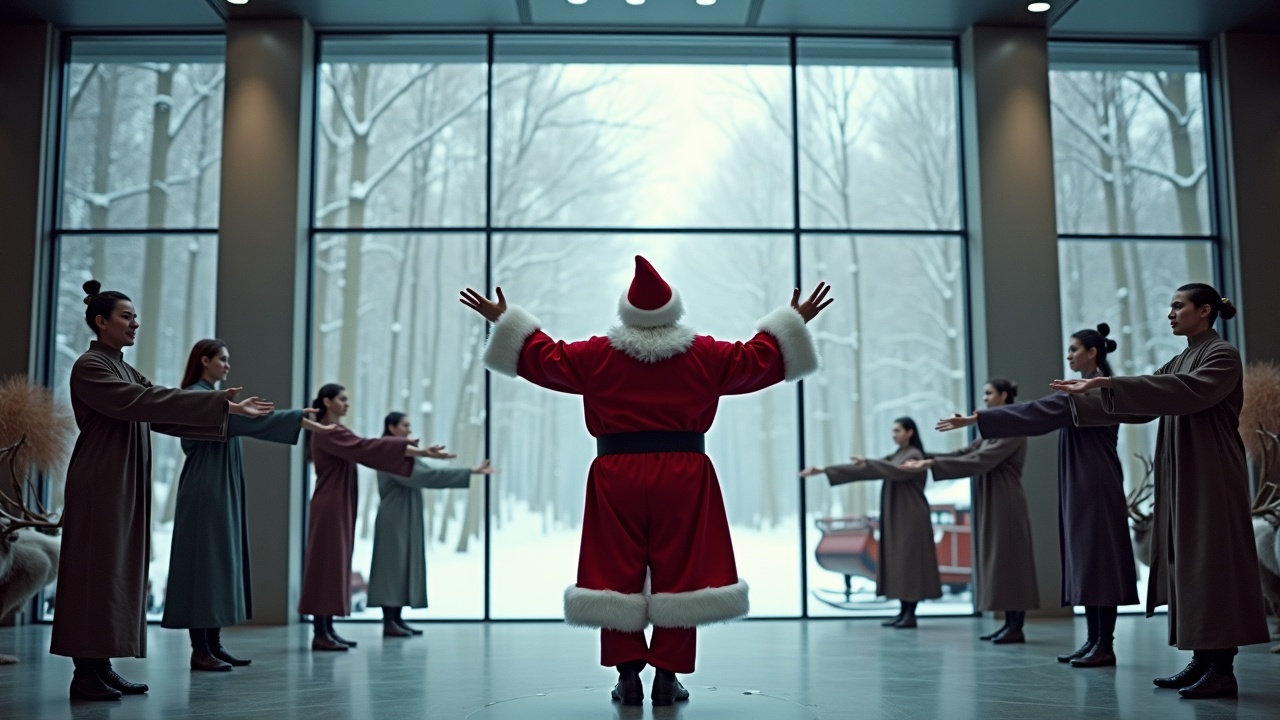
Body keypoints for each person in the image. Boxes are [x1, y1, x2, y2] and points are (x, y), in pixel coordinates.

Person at [461, 256, 830, 706]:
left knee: (614, 571)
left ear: (626, 312)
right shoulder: (705, 354)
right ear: (673, 311)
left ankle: (628, 676)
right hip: (685, 475)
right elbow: (758, 359)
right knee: (681, 574)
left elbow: (544, 358)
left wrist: (507, 321)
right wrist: (794, 320)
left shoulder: (596, 355)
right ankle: (667, 678)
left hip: (615, 476)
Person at [51, 280, 273, 701]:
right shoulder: (90, 367)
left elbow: (159, 410)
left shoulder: (124, 368)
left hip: (124, 479)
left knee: (117, 569)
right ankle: (85, 672)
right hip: (101, 479)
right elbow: (143, 403)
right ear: (101, 321)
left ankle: (102, 665)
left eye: (135, 316)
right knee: (96, 571)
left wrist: (224, 410)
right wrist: (215, 404)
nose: (135, 323)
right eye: (126, 316)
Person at [1052, 284, 1268, 699]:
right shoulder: (1182, 357)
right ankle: (1203, 659)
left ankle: (1222, 668)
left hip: (1212, 472)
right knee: (1189, 562)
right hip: (1186, 470)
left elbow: (1183, 392)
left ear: (1204, 311)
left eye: (1177, 306)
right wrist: (1095, 392)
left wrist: (1107, 386)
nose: (1170, 314)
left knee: (1212, 563)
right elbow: (1146, 401)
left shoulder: (1221, 355)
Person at [938, 326, 1137, 667]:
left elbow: (1036, 412)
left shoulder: (1094, 390)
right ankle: (1094, 640)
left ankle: (1105, 644)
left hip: (1096, 483)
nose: (1069, 355)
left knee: (1099, 560)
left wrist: (976, 419)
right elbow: (1041, 410)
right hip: (1083, 480)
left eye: (1074, 349)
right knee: (1087, 560)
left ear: (1093, 352)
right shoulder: (1085, 388)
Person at [161, 339, 336, 670]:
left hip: (219, 484)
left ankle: (213, 644)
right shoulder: (197, 397)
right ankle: (201, 650)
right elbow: (243, 421)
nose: (227, 365)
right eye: (222, 359)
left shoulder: (212, 397)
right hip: (205, 489)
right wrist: (296, 417)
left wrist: (295, 419)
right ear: (204, 360)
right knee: (205, 566)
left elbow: (240, 420)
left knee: (219, 564)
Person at [298, 384, 456, 651]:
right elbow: (365, 447)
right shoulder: (328, 431)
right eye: (342, 399)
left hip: (339, 501)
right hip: (331, 504)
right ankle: (320, 632)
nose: (347, 403)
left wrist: (419, 452)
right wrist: (415, 450)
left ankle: (326, 628)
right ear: (327, 401)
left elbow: (365, 449)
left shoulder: (335, 430)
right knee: (326, 566)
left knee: (334, 565)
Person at [901, 378, 1039, 643]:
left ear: (1004, 396)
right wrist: (929, 459)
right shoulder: (993, 428)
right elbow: (965, 452)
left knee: (1011, 561)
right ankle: (1009, 624)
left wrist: (930, 465)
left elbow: (980, 460)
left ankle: (1016, 626)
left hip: (1006, 500)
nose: (985, 398)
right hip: (991, 496)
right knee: (998, 561)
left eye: (989, 393)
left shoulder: (1013, 428)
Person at [799, 417, 941, 628]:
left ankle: (910, 613)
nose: (894, 434)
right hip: (897, 516)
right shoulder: (897, 455)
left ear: (910, 432)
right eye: (892, 430)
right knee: (899, 563)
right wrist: (825, 470)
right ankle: (904, 611)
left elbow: (892, 470)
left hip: (911, 517)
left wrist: (870, 463)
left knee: (909, 564)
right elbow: (869, 469)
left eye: (898, 430)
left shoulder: (914, 455)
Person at [367, 412, 495, 637]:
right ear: (392, 427)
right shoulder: (390, 453)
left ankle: (396, 619)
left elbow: (429, 472)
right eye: (405, 425)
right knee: (392, 568)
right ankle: (389, 621)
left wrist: (471, 471)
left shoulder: (405, 452)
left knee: (405, 565)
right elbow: (427, 476)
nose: (409, 430)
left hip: (406, 513)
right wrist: (468, 472)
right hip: (394, 516)